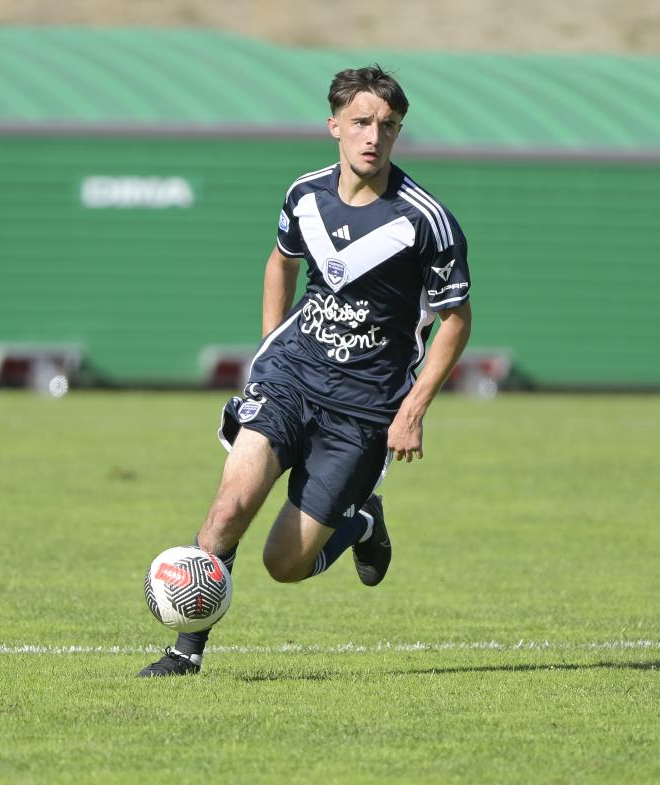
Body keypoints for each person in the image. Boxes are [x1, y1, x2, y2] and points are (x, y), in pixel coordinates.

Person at [138, 65, 472, 677]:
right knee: (228, 510)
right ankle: (186, 651)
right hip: (291, 379)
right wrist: (271, 352)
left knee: (283, 565)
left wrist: (413, 411)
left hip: (364, 408)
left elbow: (455, 321)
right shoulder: (305, 195)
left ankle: (363, 518)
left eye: (389, 126)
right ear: (335, 126)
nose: (375, 136)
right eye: (363, 122)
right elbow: (280, 264)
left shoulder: (426, 220)